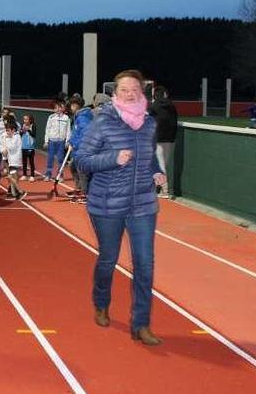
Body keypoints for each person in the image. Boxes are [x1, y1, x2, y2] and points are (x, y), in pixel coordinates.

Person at [75, 69, 167, 347]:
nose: (130, 93)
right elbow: (82, 160)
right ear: (115, 93)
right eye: (125, 89)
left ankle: (141, 324)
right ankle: (101, 302)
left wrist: (156, 172)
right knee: (108, 258)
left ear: (142, 92)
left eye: (135, 90)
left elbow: (148, 158)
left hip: (143, 204)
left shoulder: (149, 123)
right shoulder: (102, 122)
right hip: (107, 204)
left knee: (145, 265)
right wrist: (113, 158)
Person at [148, 86, 179, 198]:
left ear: (155, 95)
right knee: (164, 163)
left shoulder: (153, 106)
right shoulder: (172, 106)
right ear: (165, 94)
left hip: (158, 137)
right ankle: (159, 187)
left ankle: (165, 189)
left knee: (160, 164)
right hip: (170, 137)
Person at [67, 95, 94, 202]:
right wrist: (71, 141)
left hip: (83, 149)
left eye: (71, 106)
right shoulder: (78, 116)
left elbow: (85, 134)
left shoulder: (83, 117)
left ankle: (86, 194)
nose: (70, 108)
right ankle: (79, 188)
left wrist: (75, 144)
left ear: (76, 105)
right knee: (73, 166)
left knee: (82, 171)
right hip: (77, 149)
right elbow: (76, 133)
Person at [42, 99, 71, 181]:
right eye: (56, 108)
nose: (58, 109)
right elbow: (47, 130)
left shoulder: (66, 118)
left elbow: (68, 130)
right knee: (50, 158)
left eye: (60, 107)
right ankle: (48, 174)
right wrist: (46, 141)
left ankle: (60, 175)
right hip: (51, 141)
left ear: (63, 108)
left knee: (60, 159)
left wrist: (67, 141)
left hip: (61, 142)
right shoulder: (51, 117)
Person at [0, 120, 26, 201]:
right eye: (6, 130)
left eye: (8, 131)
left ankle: (20, 191)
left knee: (10, 176)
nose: (7, 132)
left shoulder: (16, 136)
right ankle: (14, 194)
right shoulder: (9, 136)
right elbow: (1, 145)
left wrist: (7, 141)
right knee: (12, 176)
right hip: (10, 160)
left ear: (13, 130)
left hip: (15, 160)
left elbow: (12, 147)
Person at [19, 114, 37, 181]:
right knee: (24, 162)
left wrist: (28, 130)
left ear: (30, 120)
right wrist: (22, 131)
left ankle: (32, 175)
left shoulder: (33, 126)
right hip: (23, 146)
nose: (25, 120)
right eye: (24, 119)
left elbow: (34, 135)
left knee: (31, 161)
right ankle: (24, 175)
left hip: (30, 147)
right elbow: (20, 134)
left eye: (26, 119)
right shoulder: (23, 125)